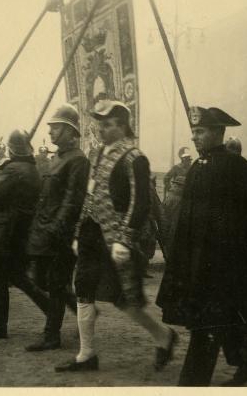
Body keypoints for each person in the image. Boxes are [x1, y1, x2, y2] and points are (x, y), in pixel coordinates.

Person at [55, 100, 176, 373]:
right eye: (99, 124)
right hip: (91, 235)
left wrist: (124, 238)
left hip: (118, 240)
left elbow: (140, 203)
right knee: (83, 290)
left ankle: (164, 336)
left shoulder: (135, 158)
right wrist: (79, 232)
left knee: (127, 300)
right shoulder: (96, 154)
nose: (102, 129)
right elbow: (90, 194)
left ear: (123, 126)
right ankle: (86, 355)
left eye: (108, 124)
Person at [156, 106, 247, 386]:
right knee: (219, 317)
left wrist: (236, 254)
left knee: (206, 324)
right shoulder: (196, 167)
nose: (194, 137)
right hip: (197, 260)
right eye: (193, 131)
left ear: (219, 132)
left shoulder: (236, 166)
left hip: (223, 262)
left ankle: (191, 385)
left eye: (200, 131)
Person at [0, 130, 51, 339]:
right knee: (17, 276)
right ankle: (51, 309)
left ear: (11, 149)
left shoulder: (14, 169)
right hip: (20, 231)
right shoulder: (32, 169)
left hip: (4, 230)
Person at [25, 104, 89, 351]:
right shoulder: (57, 158)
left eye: (56, 128)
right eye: (50, 128)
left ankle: (51, 335)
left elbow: (72, 200)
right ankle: (78, 308)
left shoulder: (78, 160)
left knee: (56, 283)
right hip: (45, 230)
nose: (50, 132)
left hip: (61, 234)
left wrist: (56, 228)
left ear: (70, 131)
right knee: (42, 279)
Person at [162, 147, 192, 246]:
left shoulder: (191, 169)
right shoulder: (176, 168)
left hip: (185, 198)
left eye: (189, 160)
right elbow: (166, 178)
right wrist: (170, 188)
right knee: (169, 219)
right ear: (183, 160)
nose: (189, 161)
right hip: (174, 196)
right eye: (187, 159)